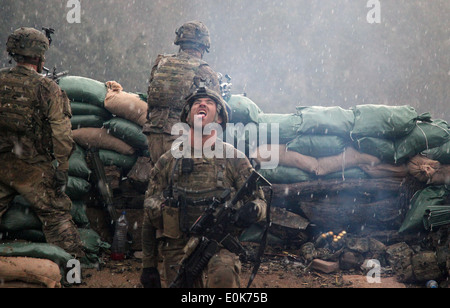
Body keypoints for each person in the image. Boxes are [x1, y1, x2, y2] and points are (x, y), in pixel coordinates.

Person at [140, 87, 267, 288]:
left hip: (219, 246)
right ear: (187, 117)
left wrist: (253, 210)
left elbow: (260, 202)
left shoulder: (235, 159)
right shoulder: (169, 161)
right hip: (177, 246)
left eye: (209, 102)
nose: (202, 103)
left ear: (218, 119)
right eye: (197, 101)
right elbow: (148, 213)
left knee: (223, 276)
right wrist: (148, 266)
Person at [0, 27, 84, 257]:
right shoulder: (47, 88)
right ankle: (72, 269)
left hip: (2, 162)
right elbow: (61, 133)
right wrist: (63, 169)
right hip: (32, 167)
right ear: (39, 56)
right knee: (57, 215)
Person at [143, 20, 221, 165]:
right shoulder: (205, 71)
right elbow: (213, 117)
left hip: (153, 135)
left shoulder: (161, 63)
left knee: (160, 181)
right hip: (179, 137)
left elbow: (150, 98)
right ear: (204, 45)